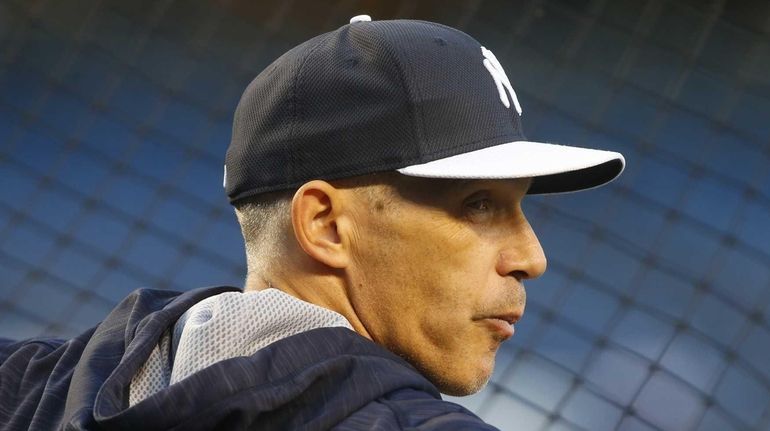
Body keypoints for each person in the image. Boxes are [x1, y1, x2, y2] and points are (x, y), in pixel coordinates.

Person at [0, 15, 624, 431]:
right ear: (325, 225)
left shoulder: (30, 386)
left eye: (521, 207)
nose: (531, 256)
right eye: (479, 204)